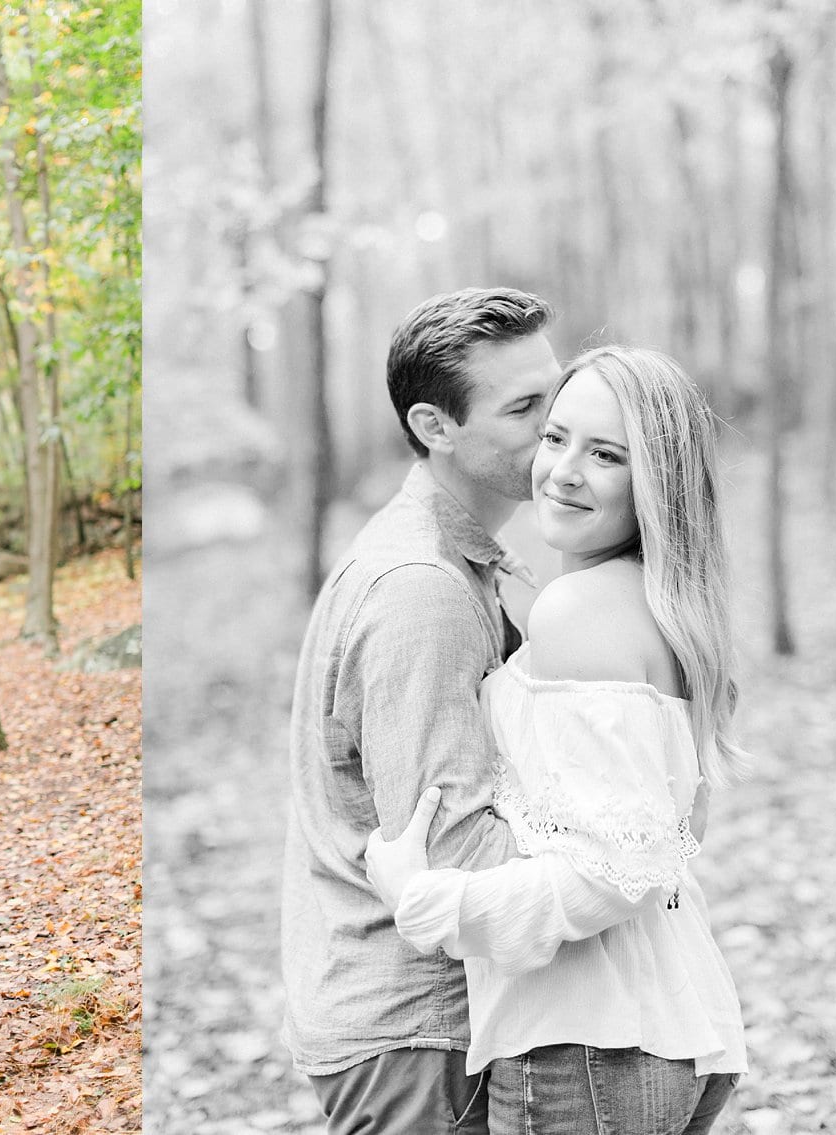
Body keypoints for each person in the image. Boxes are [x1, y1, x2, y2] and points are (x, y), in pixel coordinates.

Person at [366, 346, 750, 1134]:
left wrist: (424, 900)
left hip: (583, 1049)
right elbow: (670, 833)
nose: (563, 471)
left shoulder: (578, 611)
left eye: (606, 455)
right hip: (662, 1028)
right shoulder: (654, 605)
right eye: (555, 437)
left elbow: (613, 873)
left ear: (656, 481)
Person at [281, 287, 561, 1133]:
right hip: (419, 1036)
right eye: (523, 407)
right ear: (435, 427)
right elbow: (454, 849)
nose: (555, 425)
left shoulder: (455, 560)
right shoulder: (422, 591)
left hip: (425, 1023)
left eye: (556, 390)